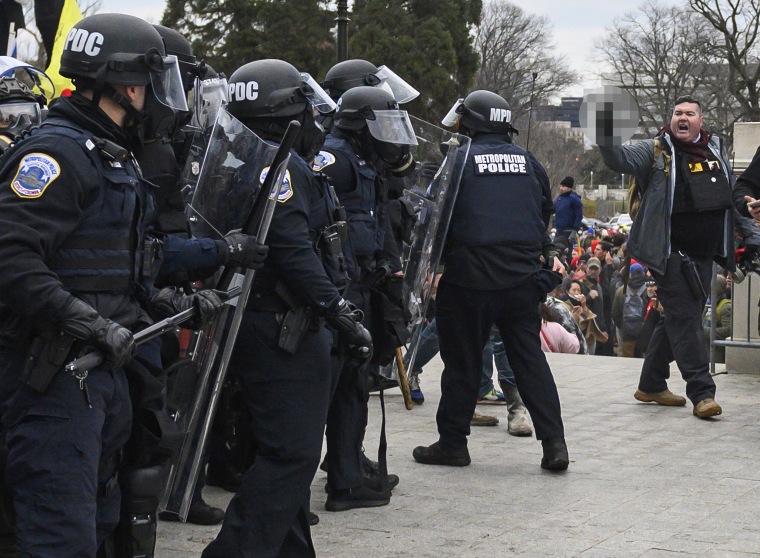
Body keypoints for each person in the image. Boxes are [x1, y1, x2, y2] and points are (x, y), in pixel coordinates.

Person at [0, 13, 225, 557]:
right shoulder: (55, 153)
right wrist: (86, 321)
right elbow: (10, 256)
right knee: (61, 536)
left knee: (102, 524)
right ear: (126, 84)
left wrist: (173, 302)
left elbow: (127, 262)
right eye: (153, 85)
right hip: (55, 376)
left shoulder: (112, 156)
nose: (161, 100)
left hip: (103, 373)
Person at [201, 59, 372, 558]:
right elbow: (294, 250)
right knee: (291, 455)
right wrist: (337, 308)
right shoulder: (282, 167)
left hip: (263, 322)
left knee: (279, 450)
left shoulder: (243, 160)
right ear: (284, 116)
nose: (316, 122)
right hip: (285, 327)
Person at [412, 90, 568, 471]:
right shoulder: (529, 162)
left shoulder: (459, 159)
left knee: (463, 364)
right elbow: (542, 215)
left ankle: (453, 443)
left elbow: (433, 217)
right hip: (521, 282)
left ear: (470, 122)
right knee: (530, 362)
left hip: (469, 282)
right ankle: (555, 446)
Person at [314, 85, 417, 511]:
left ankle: (347, 473)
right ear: (359, 123)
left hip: (361, 287)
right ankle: (340, 482)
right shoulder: (333, 160)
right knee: (334, 388)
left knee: (352, 386)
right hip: (338, 293)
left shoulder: (362, 160)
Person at [598, 94, 733, 418]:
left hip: (704, 255)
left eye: (689, 113)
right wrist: (605, 132)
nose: (682, 117)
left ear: (701, 121)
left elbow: (727, 197)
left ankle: (651, 383)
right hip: (668, 253)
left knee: (672, 316)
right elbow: (619, 159)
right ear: (671, 119)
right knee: (686, 319)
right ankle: (702, 392)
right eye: (677, 113)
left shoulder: (716, 149)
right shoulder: (656, 150)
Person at [611, 263, 649, 357]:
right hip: (644, 334)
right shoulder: (648, 290)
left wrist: (623, 326)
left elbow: (615, 314)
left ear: (630, 274)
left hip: (627, 334)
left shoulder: (621, 290)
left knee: (627, 361)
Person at [703, 274, 731, 363]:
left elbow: (728, 330)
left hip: (717, 353)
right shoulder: (709, 305)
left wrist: (705, 331)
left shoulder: (725, 307)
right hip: (705, 349)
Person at [553, 176, 583, 242]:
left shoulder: (574, 199)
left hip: (568, 231)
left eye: (563, 186)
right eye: (561, 186)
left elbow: (579, 216)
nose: (561, 188)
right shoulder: (559, 198)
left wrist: (575, 230)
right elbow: (553, 209)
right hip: (558, 230)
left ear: (569, 187)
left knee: (566, 250)